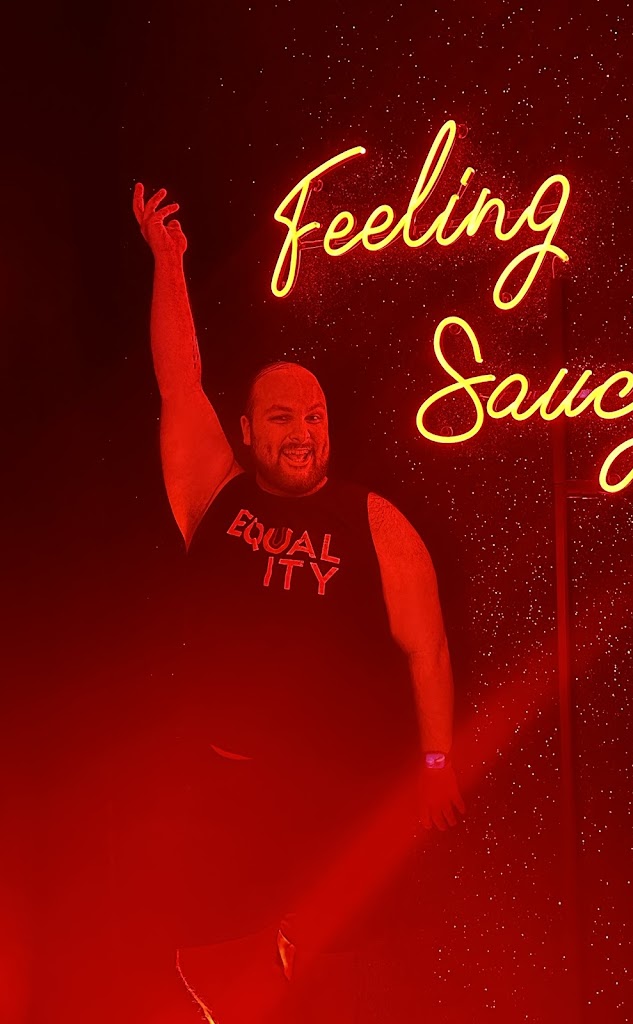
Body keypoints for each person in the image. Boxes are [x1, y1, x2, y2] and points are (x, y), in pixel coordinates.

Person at [131, 182, 465, 1002]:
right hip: (219, 788)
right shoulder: (214, 494)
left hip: (319, 792)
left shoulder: (375, 521)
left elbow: (426, 649)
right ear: (246, 432)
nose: (302, 433)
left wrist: (435, 763)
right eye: (281, 418)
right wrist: (168, 264)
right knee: (197, 963)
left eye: (313, 417)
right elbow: (180, 381)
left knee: (329, 975)